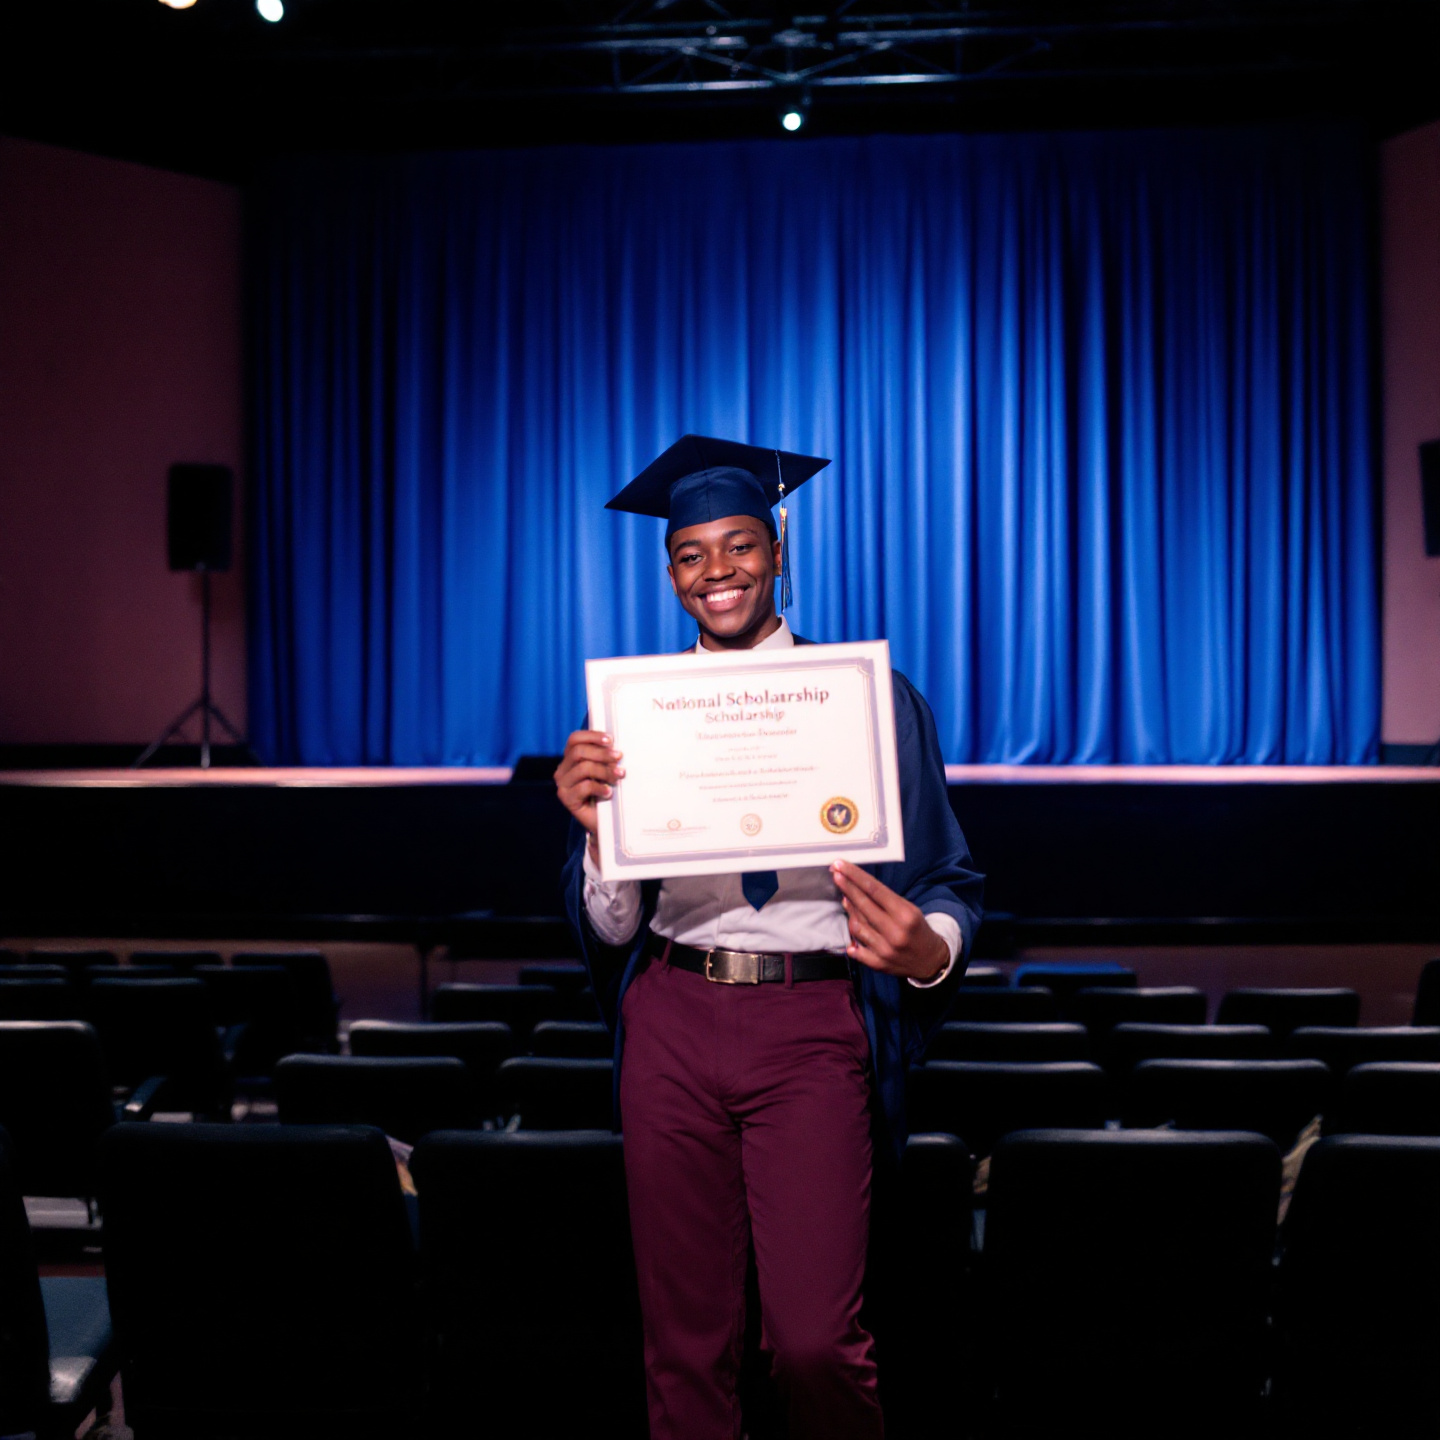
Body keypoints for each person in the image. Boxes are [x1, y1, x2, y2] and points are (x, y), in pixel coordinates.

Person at [556, 435, 984, 1440]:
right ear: (671, 573)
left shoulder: (867, 700)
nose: (718, 570)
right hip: (672, 1014)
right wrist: (598, 843)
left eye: (740, 545)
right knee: (685, 1347)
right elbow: (615, 924)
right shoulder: (633, 721)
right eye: (692, 553)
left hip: (810, 1021)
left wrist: (931, 949)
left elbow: (948, 880)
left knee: (813, 1344)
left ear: (777, 551)